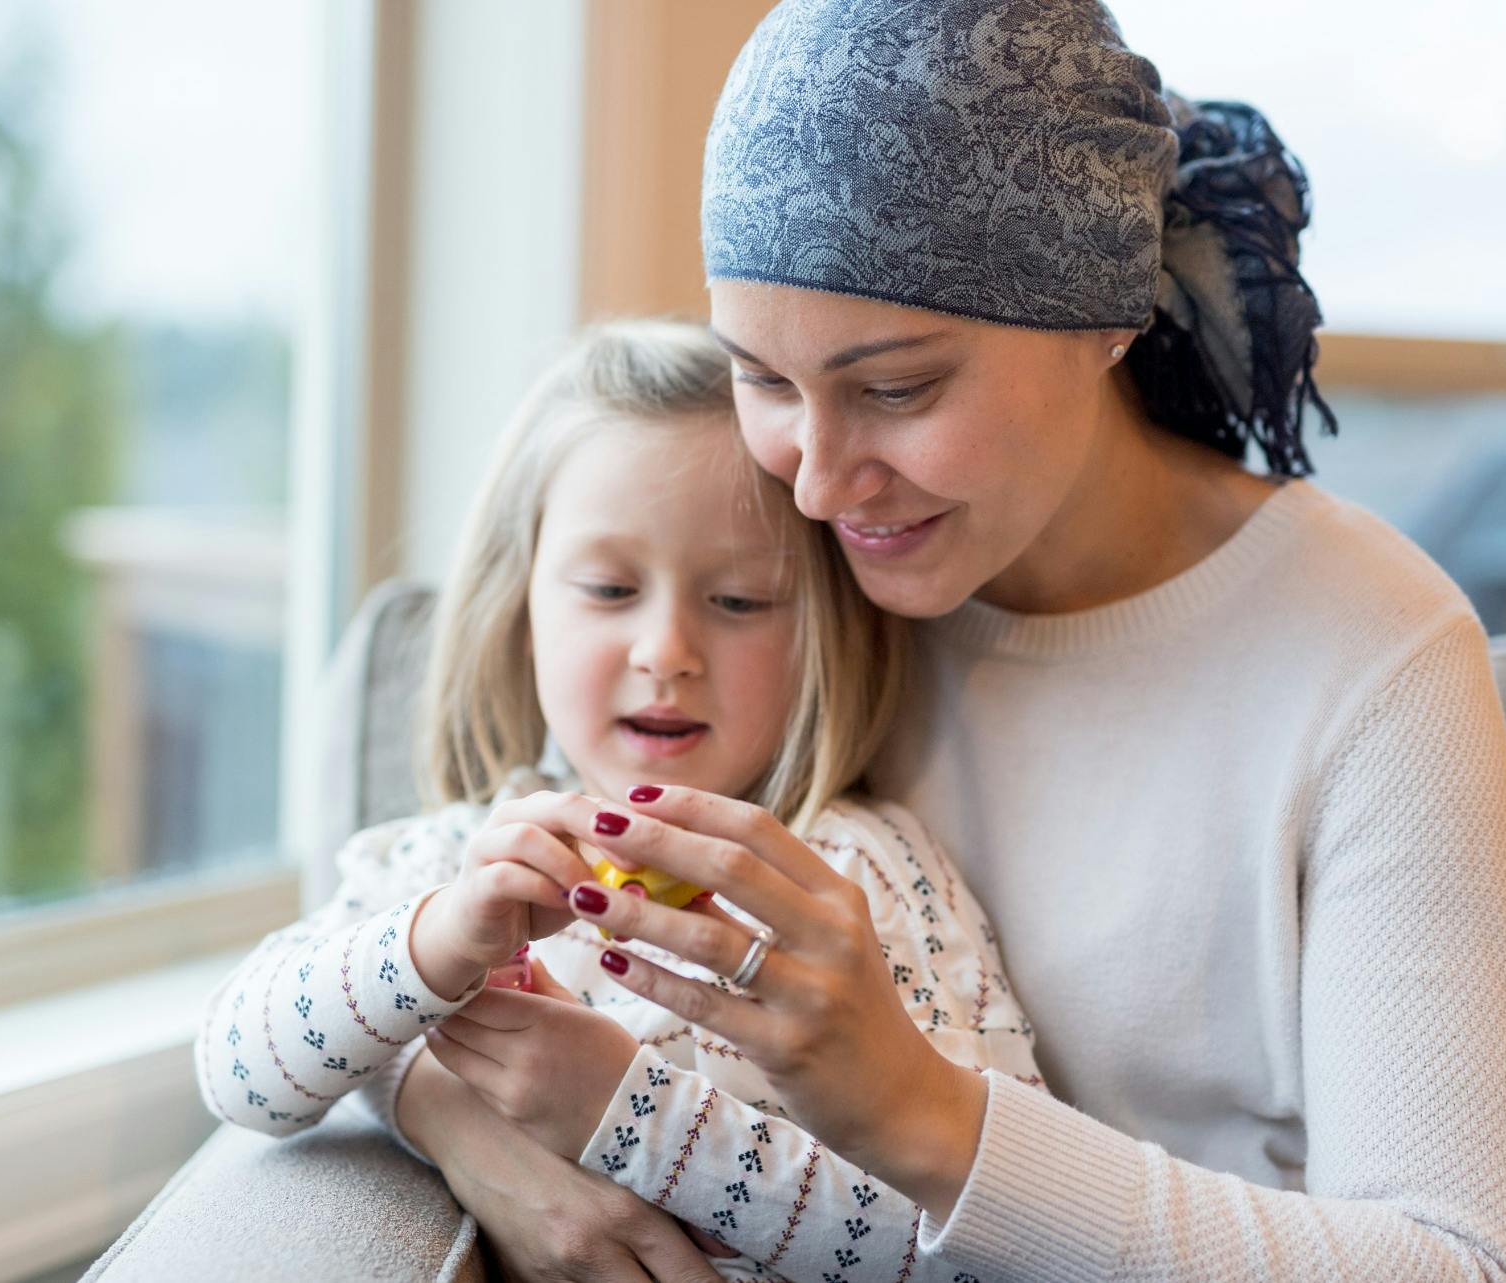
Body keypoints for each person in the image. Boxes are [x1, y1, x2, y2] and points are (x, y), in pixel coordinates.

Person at [394, 3, 1506, 1281]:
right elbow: (411, 903)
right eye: (767, 380)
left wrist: (921, 1114)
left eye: (896, 388)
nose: (821, 482)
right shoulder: (777, 594)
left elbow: (1478, 1265)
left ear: (1104, 314)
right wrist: (451, 1109)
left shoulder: (1368, 654)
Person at [196, 320, 1050, 1281]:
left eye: (739, 601)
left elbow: (994, 1248)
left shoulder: (859, 880)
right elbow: (239, 1072)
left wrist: (628, 1113)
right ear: (520, 614)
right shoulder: (454, 862)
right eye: (608, 589)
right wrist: (432, 946)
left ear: (826, 635)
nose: (666, 650)